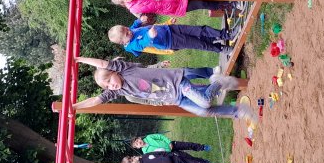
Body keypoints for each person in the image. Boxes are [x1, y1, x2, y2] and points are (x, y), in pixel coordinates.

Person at [72, 57, 257, 120]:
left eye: (109, 80)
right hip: (176, 99)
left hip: (177, 83)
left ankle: (219, 82)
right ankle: (238, 111)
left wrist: (81, 60)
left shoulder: (125, 69)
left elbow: (102, 63)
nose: (111, 86)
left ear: (113, 71)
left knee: (205, 101)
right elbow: (96, 100)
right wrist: (74, 107)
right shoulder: (120, 91)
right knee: (204, 112)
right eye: (107, 86)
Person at [108, 22, 234, 56]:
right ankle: (221, 48)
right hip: (171, 41)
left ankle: (224, 34)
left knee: (199, 30)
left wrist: (139, 21)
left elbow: (134, 27)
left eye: (126, 28)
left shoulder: (130, 31)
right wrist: (149, 36)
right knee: (198, 43)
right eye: (126, 33)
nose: (129, 31)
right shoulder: (132, 45)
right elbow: (143, 43)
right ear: (123, 42)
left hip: (170, 29)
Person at [110, 0, 230, 21]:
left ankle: (224, 2)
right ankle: (226, 5)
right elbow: (147, 17)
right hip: (172, 7)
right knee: (200, 4)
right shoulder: (133, 9)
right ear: (122, 3)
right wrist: (144, 18)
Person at [131, 134, 210, 154]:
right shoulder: (145, 152)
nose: (138, 143)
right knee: (185, 156)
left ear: (139, 138)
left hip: (172, 144)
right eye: (137, 144)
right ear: (138, 147)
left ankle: (202, 147)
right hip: (169, 154)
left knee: (187, 145)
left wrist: (169, 142)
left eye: (137, 141)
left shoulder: (149, 137)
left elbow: (160, 136)